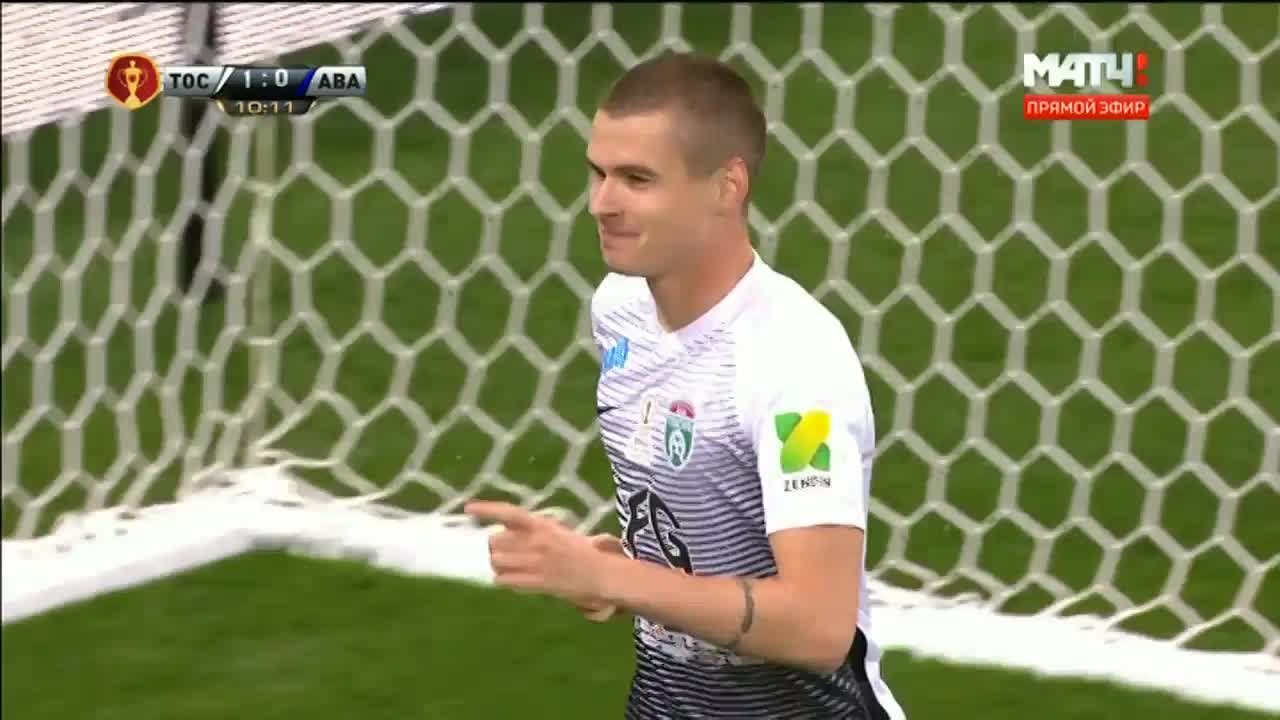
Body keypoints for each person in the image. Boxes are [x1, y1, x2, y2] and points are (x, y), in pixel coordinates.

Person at [465, 51, 906, 720]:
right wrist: (616, 570)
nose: (602, 204)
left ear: (728, 186)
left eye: (637, 179)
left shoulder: (795, 362)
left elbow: (819, 627)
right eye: (598, 173)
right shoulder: (619, 311)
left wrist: (618, 576)